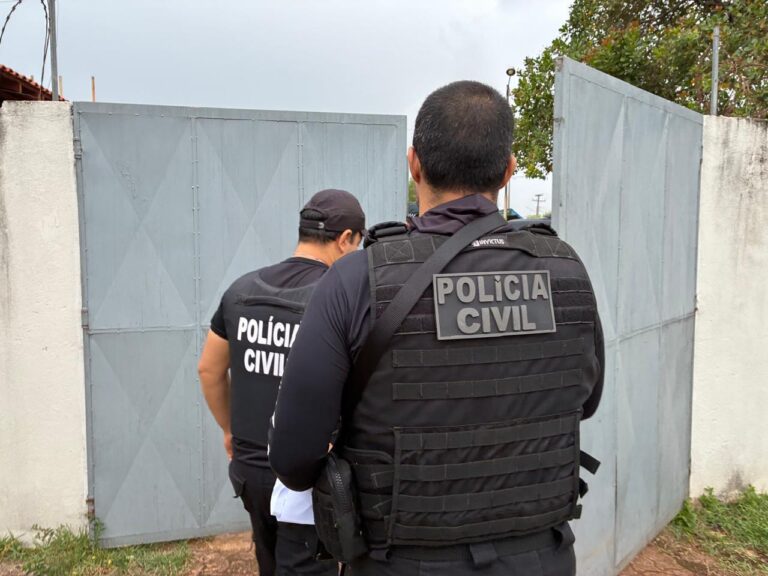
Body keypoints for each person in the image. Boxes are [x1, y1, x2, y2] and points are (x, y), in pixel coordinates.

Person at [269, 81, 604, 576]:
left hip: (398, 562)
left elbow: (294, 458)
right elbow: (586, 402)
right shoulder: (566, 270)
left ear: (414, 164)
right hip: (541, 558)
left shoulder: (356, 280)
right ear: (508, 171)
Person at [198, 189, 366, 576]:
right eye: (358, 244)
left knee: (269, 563)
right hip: (306, 479)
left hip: (250, 469)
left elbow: (209, 369)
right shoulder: (337, 299)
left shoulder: (241, 290)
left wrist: (229, 430)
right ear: (345, 239)